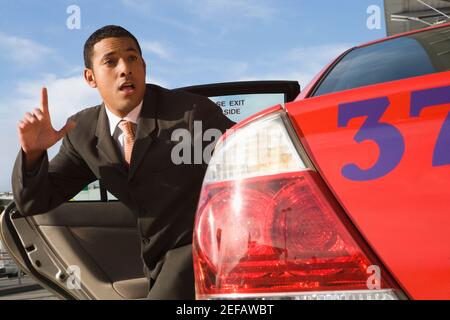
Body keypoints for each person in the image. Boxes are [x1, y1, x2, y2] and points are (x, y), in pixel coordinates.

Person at [12, 25, 235, 299]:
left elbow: (244, 163)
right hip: (152, 264)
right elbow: (34, 201)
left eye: (132, 59)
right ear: (90, 77)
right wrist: (32, 154)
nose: (125, 69)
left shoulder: (191, 114)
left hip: (202, 252)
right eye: (110, 61)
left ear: (144, 66)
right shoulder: (81, 131)